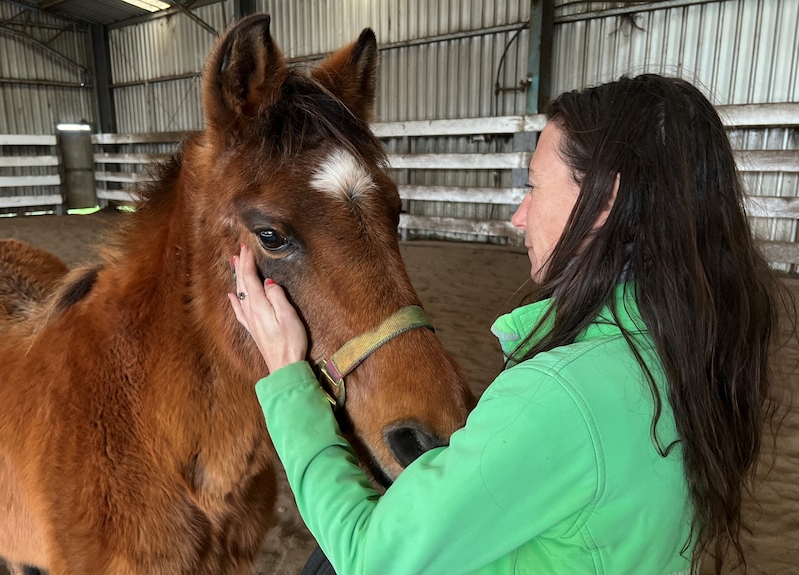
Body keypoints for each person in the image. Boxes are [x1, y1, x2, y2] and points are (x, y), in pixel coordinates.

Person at [229, 74, 793, 574]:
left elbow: (370, 558)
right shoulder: (686, 340)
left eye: (533, 186)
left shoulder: (560, 394)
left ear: (605, 200)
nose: (518, 215)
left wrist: (285, 374)